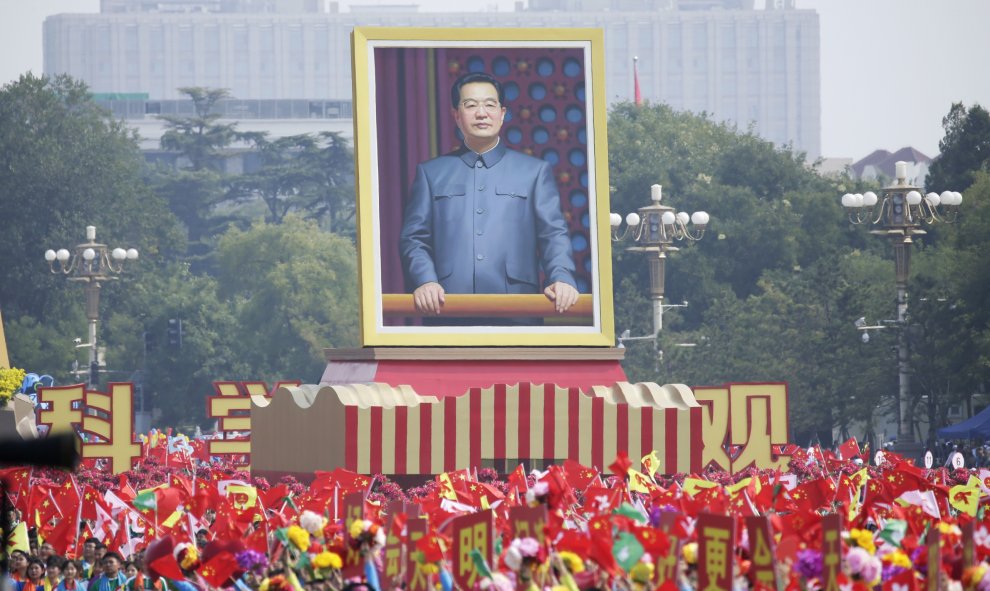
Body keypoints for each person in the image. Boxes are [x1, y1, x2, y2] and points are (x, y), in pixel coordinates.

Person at [399, 71, 579, 323]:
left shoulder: (534, 172)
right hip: (447, 311)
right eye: (470, 105)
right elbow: (414, 238)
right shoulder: (431, 174)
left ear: (502, 114)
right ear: (456, 115)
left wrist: (561, 278)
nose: (481, 113)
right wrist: (426, 280)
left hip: (518, 313)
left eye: (489, 105)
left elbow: (552, 234)